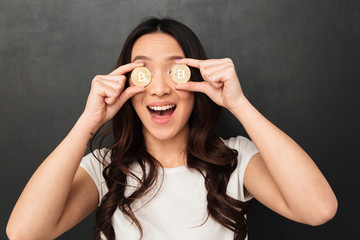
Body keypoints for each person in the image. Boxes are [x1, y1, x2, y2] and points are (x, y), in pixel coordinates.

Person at [6, 18, 337, 240]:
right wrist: (88, 122)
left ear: (194, 80)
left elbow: (319, 209)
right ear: (126, 85)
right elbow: (23, 233)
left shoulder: (235, 158)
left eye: (175, 70)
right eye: (144, 73)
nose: (160, 89)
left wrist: (238, 104)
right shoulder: (104, 168)